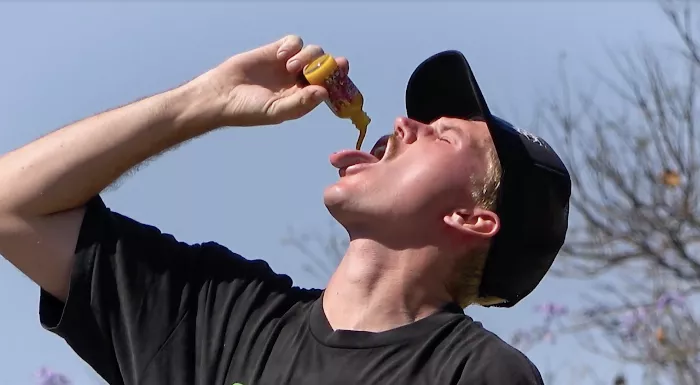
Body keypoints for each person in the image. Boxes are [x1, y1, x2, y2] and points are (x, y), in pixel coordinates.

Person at [0, 35, 570, 384]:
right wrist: (204, 102)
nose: (404, 123)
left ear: (471, 220)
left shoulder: (476, 374)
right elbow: (13, 206)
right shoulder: (219, 317)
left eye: (442, 136)